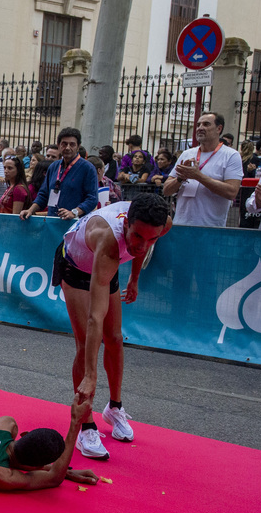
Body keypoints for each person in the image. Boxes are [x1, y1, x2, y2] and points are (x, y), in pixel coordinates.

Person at [52, 193, 171, 461]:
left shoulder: (161, 224)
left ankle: (114, 407)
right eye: (138, 236)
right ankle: (85, 426)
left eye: (152, 238)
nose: (143, 245)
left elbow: (142, 247)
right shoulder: (108, 241)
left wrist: (135, 278)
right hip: (75, 265)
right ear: (127, 222)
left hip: (109, 266)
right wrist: (92, 375)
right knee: (85, 346)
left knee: (115, 338)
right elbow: (96, 316)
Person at [163, 112, 243, 227]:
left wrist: (198, 176)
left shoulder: (231, 155)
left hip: (210, 228)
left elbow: (232, 192)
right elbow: (166, 190)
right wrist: (180, 178)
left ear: (219, 129)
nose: (200, 128)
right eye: (198, 124)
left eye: (206, 124)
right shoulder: (187, 154)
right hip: (180, 225)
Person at [20, 128, 98, 221]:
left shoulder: (87, 168)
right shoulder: (53, 167)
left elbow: (92, 199)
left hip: (75, 225)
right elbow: (43, 194)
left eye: (72, 144)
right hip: (52, 223)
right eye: (64, 144)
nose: (68, 148)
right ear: (59, 145)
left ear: (78, 146)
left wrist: (74, 212)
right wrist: (30, 210)